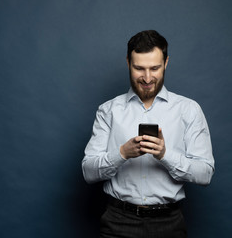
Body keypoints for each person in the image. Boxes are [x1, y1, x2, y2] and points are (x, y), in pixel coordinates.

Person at [82, 30, 215, 238]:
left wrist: (164, 155)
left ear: (166, 63)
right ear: (128, 63)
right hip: (118, 222)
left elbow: (205, 173)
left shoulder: (189, 110)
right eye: (139, 68)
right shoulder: (108, 110)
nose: (146, 77)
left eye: (154, 68)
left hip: (169, 224)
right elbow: (88, 172)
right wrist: (122, 153)